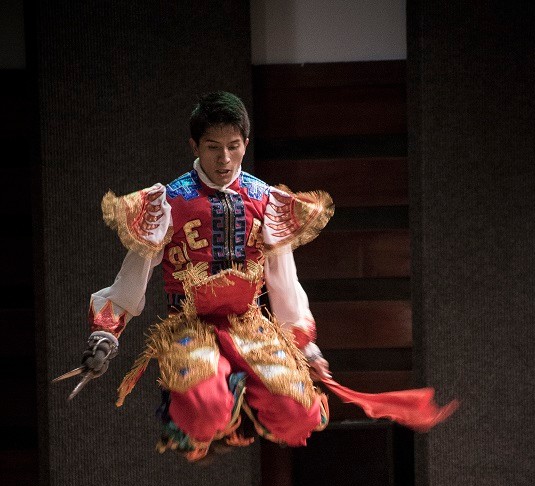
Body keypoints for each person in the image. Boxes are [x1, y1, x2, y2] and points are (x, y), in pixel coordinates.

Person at [60, 91, 456, 460]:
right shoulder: (169, 202)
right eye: (213, 147)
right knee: (203, 411)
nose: (225, 158)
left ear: (245, 144)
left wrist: (307, 348)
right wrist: (106, 334)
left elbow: (284, 280)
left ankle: (242, 404)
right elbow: (134, 274)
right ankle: (206, 405)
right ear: (194, 146)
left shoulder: (265, 199)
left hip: (250, 325)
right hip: (190, 325)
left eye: (233, 146)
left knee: (298, 414)